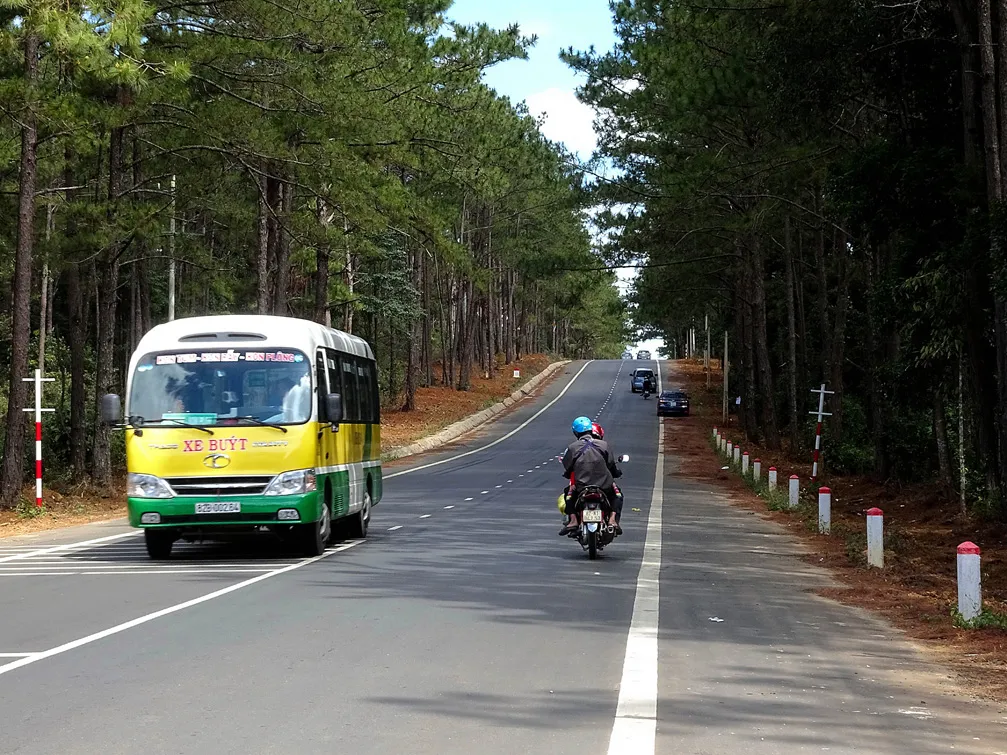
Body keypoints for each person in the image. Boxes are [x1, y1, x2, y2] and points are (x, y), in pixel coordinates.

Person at [559, 416, 623, 536]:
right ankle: (612, 520)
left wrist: (568, 475)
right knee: (617, 495)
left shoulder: (572, 448)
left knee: (568, 495)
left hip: (581, 486)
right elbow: (611, 464)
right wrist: (615, 473)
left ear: (575, 432)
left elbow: (568, 466)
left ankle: (573, 520)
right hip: (604, 485)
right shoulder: (604, 445)